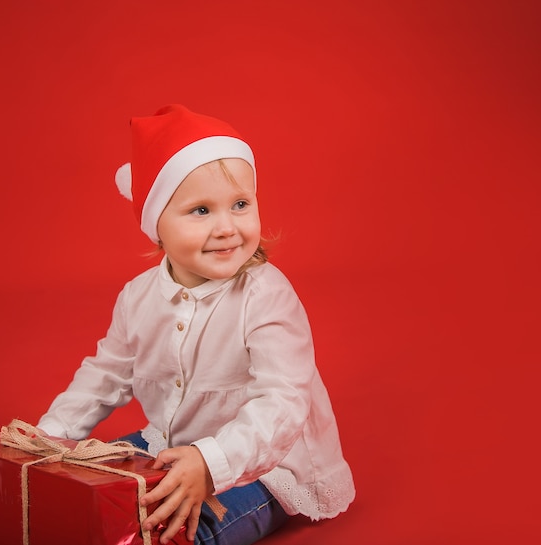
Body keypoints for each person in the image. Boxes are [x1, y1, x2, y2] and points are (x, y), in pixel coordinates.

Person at [37, 104, 355, 545]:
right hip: (168, 442)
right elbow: (106, 374)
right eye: (201, 211)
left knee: (177, 528)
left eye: (240, 204)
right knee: (87, 488)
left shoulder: (266, 296)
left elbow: (282, 402)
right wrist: (51, 438)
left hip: (261, 464)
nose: (227, 227)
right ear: (157, 227)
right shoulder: (138, 296)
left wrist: (210, 463)